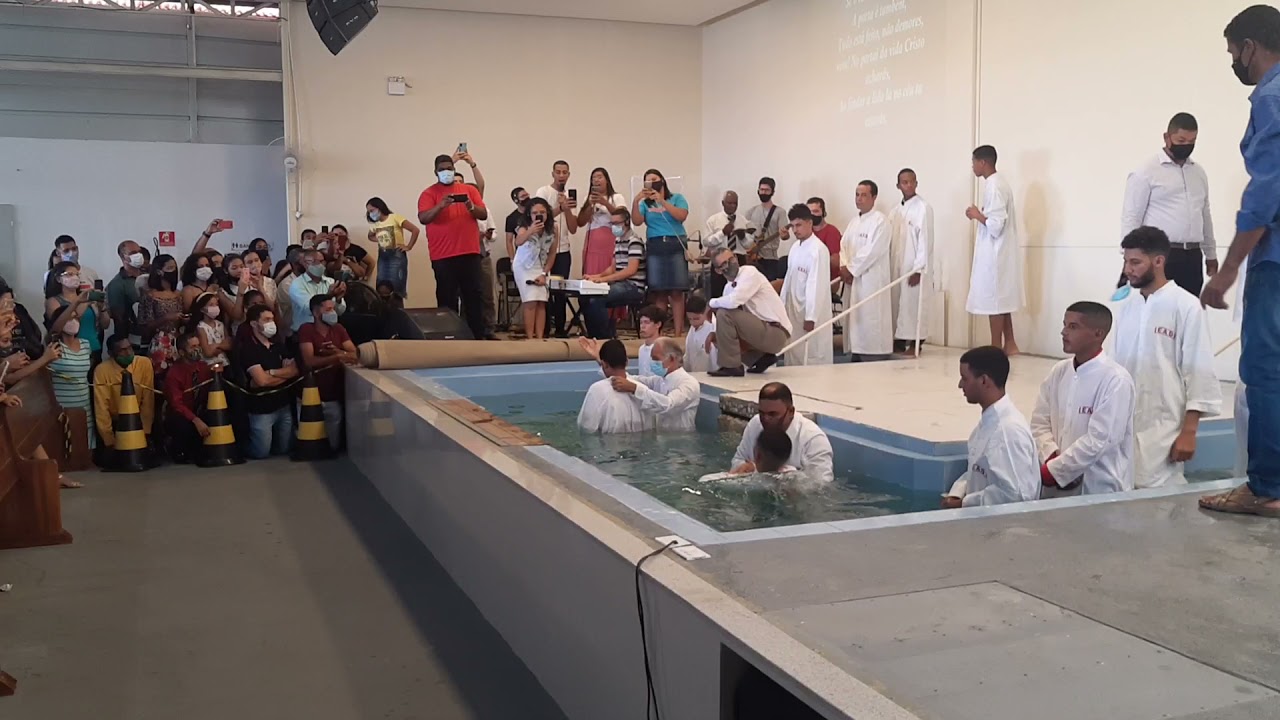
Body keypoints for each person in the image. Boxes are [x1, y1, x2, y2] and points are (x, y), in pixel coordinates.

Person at [1200, 6, 1280, 518]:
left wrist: (1227, 269)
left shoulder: (1272, 97)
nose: (1236, 63)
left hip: (1275, 262)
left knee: (1265, 370)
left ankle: (1267, 487)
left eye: (1234, 53)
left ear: (1250, 46)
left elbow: (1265, 193)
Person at [1109, 226, 1222, 488]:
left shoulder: (1186, 306)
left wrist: (1189, 432)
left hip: (1164, 428)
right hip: (1124, 426)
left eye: (1135, 262)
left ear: (1159, 261)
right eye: (1126, 261)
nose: (1128, 269)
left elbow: (1199, 370)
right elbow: (1114, 368)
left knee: (1159, 504)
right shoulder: (1127, 308)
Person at [1030, 301, 1136, 496]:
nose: (1064, 332)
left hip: (1100, 491)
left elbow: (1100, 440)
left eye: (1073, 327)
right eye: (1064, 325)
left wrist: (1055, 471)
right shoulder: (1059, 372)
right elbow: (1039, 421)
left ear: (1098, 334)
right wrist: (1051, 454)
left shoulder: (1115, 380)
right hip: (1054, 486)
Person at [1118, 113, 1216, 297]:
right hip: (1160, 256)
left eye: (1192, 140)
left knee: (1189, 313)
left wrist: (1211, 254)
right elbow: (1131, 217)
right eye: (1181, 139)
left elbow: (1204, 214)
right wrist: (1129, 259)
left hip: (1193, 255)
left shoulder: (1198, 173)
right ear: (1167, 137)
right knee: (1158, 314)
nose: (1186, 145)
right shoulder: (1146, 171)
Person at [942, 346, 1040, 508]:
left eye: (964, 378)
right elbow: (975, 472)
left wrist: (963, 503)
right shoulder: (987, 424)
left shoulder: (1008, 431)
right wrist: (956, 493)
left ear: (984, 381)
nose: (960, 385)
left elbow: (1017, 495)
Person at [418, 153, 489, 340]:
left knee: (474, 296)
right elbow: (423, 218)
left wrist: (470, 206)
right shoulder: (428, 193)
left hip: (469, 252)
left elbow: (482, 215)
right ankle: (448, 336)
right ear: (435, 172)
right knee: (447, 298)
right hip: (443, 256)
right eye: (442, 169)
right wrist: (440, 205)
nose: (446, 172)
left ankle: (477, 336)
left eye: (449, 168)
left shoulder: (468, 190)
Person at [966, 145, 1025, 356]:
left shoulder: (994, 185)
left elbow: (996, 225)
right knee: (1002, 300)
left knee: (995, 301)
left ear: (983, 162)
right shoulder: (999, 183)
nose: (972, 166)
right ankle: (1010, 343)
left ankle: (995, 346)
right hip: (998, 251)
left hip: (996, 253)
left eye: (973, 162)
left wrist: (976, 214)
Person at [729, 382, 834, 485]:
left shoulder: (813, 439)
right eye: (762, 413)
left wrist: (790, 479)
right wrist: (746, 467)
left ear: (791, 412)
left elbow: (822, 485)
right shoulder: (755, 424)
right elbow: (738, 459)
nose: (766, 419)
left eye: (772, 414)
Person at [707, 249, 790, 377]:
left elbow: (733, 301)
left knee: (724, 313)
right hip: (761, 332)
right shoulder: (728, 288)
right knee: (720, 333)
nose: (731, 264)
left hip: (776, 331)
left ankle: (732, 366)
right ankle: (759, 359)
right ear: (718, 270)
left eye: (732, 259)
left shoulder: (749, 272)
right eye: (724, 263)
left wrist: (711, 303)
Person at [632, 168, 691, 334]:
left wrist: (662, 201)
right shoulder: (645, 204)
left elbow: (681, 216)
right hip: (656, 245)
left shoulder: (677, 198)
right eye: (648, 181)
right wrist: (636, 201)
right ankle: (660, 331)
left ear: (662, 181)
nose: (652, 183)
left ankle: (678, 331)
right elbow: (636, 221)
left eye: (655, 180)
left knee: (677, 291)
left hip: (675, 244)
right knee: (659, 292)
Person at [839, 180, 893, 360]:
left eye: (864, 195)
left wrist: (851, 268)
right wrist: (844, 266)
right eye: (857, 194)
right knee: (854, 317)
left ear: (874, 197)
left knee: (870, 315)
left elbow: (873, 251)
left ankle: (873, 352)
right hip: (852, 278)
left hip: (871, 279)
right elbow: (844, 246)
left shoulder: (881, 221)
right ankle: (855, 350)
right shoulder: (854, 222)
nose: (859, 199)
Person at [298, 294, 359, 451]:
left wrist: (338, 353)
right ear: (316, 313)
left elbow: (355, 353)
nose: (333, 313)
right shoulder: (306, 330)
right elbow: (309, 361)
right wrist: (336, 357)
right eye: (329, 309)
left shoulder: (338, 329)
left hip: (333, 395)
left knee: (333, 444)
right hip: (310, 394)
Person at [237, 304, 297, 459]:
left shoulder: (278, 345)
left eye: (272, 319)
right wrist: (284, 375)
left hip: (283, 405)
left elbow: (295, 371)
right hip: (262, 409)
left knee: (284, 448)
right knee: (261, 452)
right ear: (254, 324)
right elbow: (261, 381)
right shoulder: (248, 349)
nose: (272, 323)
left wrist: (272, 373)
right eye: (267, 319)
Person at [779, 204, 834, 366]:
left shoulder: (818, 250)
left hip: (810, 313)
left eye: (799, 225)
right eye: (793, 226)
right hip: (793, 309)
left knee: (812, 353)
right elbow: (788, 278)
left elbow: (816, 285)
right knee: (793, 351)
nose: (795, 230)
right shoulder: (795, 247)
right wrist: (781, 305)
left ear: (809, 223)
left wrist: (811, 316)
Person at [609, 336, 699, 431]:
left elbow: (668, 405)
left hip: (681, 441)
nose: (652, 363)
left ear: (672, 359)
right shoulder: (659, 380)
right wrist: (606, 364)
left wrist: (635, 389)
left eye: (656, 359)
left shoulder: (689, 384)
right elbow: (630, 379)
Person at [892, 169, 938, 353]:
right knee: (898, 303)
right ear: (898, 185)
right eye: (904, 182)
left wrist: (919, 268)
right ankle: (899, 339)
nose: (908, 185)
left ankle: (916, 342)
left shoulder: (923, 208)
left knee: (914, 304)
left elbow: (925, 240)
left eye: (911, 182)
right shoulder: (895, 211)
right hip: (898, 265)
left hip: (914, 267)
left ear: (916, 183)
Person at [582, 209, 646, 339]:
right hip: (620, 283)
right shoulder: (618, 240)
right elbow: (612, 268)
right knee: (584, 296)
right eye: (612, 223)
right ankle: (592, 334)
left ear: (627, 222)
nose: (614, 227)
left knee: (598, 298)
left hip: (633, 286)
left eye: (617, 223)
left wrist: (604, 280)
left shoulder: (634, 241)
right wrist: (595, 277)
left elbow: (630, 271)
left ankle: (603, 337)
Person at [93, 333, 156, 466]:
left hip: (140, 421)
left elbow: (148, 401)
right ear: (111, 353)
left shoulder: (144, 364)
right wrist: (109, 440)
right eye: (122, 350)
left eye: (130, 348)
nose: (128, 353)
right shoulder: (101, 370)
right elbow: (101, 408)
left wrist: (145, 432)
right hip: (117, 422)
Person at [535, 161, 580, 338]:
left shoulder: (570, 195)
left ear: (569, 175)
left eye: (565, 172)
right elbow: (540, 219)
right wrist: (559, 207)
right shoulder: (543, 192)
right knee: (544, 289)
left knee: (560, 291)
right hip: (545, 251)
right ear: (552, 174)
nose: (561, 175)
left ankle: (561, 328)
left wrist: (567, 209)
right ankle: (544, 328)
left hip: (563, 250)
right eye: (558, 172)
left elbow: (573, 227)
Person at [47, 304, 94, 458]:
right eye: (68, 318)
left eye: (75, 317)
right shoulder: (53, 347)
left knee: (84, 449)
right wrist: (78, 300)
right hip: (63, 405)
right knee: (65, 449)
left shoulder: (86, 345)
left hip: (84, 403)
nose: (73, 321)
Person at [577, 338, 649, 434]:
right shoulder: (641, 389)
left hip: (610, 446)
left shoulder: (597, 390)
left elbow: (586, 427)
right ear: (627, 362)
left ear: (604, 364)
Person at [163, 330, 215, 464]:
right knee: (182, 425)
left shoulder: (204, 368)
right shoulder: (174, 373)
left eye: (198, 346)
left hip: (200, 411)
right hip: (182, 416)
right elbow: (176, 404)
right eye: (193, 347)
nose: (197, 349)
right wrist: (195, 420)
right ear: (181, 352)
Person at [44, 261, 108, 366]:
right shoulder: (53, 301)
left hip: (94, 347)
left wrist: (102, 307)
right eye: (70, 274)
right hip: (69, 352)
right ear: (58, 279)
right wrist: (81, 301)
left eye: (77, 274)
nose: (75, 278)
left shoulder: (87, 298)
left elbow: (105, 324)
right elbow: (57, 327)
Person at [511, 198, 556, 340]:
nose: (539, 215)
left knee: (541, 300)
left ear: (548, 213)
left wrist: (544, 273)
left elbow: (552, 253)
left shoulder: (553, 229)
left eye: (542, 212)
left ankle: (540, 337)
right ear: (529, 214)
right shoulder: (524, 226)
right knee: (530, 300)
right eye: (535, 212)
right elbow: (518, 241)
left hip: (540, 266)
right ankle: (530, 337)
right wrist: (531, 230)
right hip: (524, 265)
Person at [136, 254, 183, 377]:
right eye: (170, 268)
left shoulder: (178, 295)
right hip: (158, 343)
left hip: (178, 341)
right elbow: (144, 325)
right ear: (159, 271)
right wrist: (166, 318)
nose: (173, 271)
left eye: (174, 267)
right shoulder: (150, 296)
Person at [577, 167, 629, 277]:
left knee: (608, 273)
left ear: (607, 180)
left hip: (611, 240)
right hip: (592, 244)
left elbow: (623, 215)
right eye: (593, 178)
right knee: (591, 273)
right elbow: (580, 222)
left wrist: (605, 203)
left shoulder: (617, 197)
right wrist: (589, 206)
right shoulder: (588, 198)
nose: (596, 180)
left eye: (600, 177)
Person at [367, 197, 419, 298]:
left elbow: (415, 230)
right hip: (383, 256)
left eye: (372, 210)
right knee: (381, 287)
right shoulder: (376, 224)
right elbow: (370, 236)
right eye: (369, 212)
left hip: (396, 255)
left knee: (396, 289)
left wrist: (409, 246)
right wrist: (381, 239)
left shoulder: (395, 217)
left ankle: (397, 311)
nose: (370, 213)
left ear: (379, 207)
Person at [703, 191, 751, 299]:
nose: (733, 206)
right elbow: (706, 241)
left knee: (740, 294)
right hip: (720, 261)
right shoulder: (713, 220)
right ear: (723, 203)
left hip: (739, 260)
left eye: (735, 203)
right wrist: (722, 233)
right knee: (719, 294)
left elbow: (748, 245)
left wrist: (743, 237)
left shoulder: (743, 220)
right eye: (730, 203)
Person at [287, 249, 347, 334]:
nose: (319, 265)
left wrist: (338, 299)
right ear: (305, 263)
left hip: (329, 330)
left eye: (321, 261)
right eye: (314, 261)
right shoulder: (297, 284)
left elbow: (340, 311)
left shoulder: (330, 282)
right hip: (305, 332)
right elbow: (310, 309)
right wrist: (329, 295)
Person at [106, 240, 147, 352]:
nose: (138, 255)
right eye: (133, 253)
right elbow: (118, 318)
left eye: (139, 252)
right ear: (123, 257)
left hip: (156, 336)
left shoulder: (149, 276)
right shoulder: (117, 284)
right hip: (134, 340)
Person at [746, 177, 790, 281]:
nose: (763, 192)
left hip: (771, 258)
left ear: (772, 192)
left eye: (767, 190)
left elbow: (785, 236)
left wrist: (785, 235)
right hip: (753, 258)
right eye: (761, 190)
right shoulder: (751, 211)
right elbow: (745, 234)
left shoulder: (780, 212)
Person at [190, 292, 231, 367]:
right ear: (202, 309)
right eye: (211, 305)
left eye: (217, 304)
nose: (215, 307)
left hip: (224, 363)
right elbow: (208, 353)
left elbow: (229, 345)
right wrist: (221, 345)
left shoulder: (220, 324)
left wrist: (215, 346)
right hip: (209, 365)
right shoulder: (201, 327)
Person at [808, 197, 843, 281]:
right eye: (809, 212)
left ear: (823, 213)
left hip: (826, 279)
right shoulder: (808, 232)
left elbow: (836, 261)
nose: (812, 215)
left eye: (815, 211)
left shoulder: (832, 231)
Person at [275, 246, 306, 338]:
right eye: (305, 261)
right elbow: (305, 306)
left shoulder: (314, 280)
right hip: (293, 333)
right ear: (295, 264)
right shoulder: (287, 285)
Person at [684, 294, 718, 373]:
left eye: (696, 319)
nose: (693, 322)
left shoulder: (714, 326)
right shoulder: (692, 329)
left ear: (705, 312)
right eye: (690, 319)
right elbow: (688, 355)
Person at [505, 187, 531, 260]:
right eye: (523, 196)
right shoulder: (511, 218)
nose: (526, 198)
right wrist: (512, 259)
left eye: (527, 195)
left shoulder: (534, 213)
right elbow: (509, 241)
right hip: (521, 255)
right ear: (516, 200)